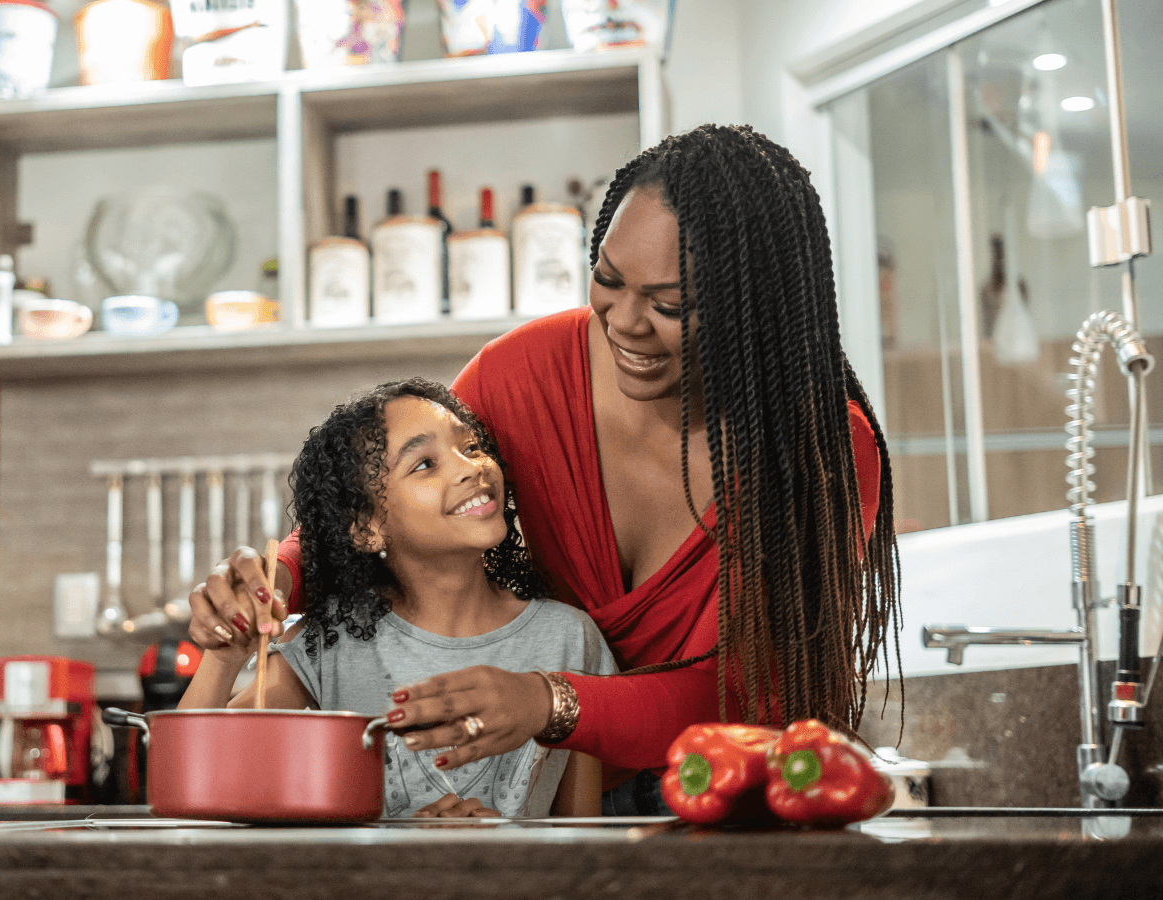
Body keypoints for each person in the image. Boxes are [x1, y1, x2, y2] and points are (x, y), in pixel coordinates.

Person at [189, 124, 901, 815]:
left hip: (729, 785)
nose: (622, 322)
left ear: (760, 309)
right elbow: (392, 503)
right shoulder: (524, 374)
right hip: (565, 779)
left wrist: (549, 701)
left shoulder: (822, 455)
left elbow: (751, 692)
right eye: (608, 280)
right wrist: (276, 579)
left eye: (670, 304)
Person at [178, 379, 614, 818]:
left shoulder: (570, 639)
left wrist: (504, 852)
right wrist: (223, 658)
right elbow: (192, 783)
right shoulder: (329, 645)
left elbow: (584, 844)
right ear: (367, 528)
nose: (470, 468)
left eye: (473, 446)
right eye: (424, 464)